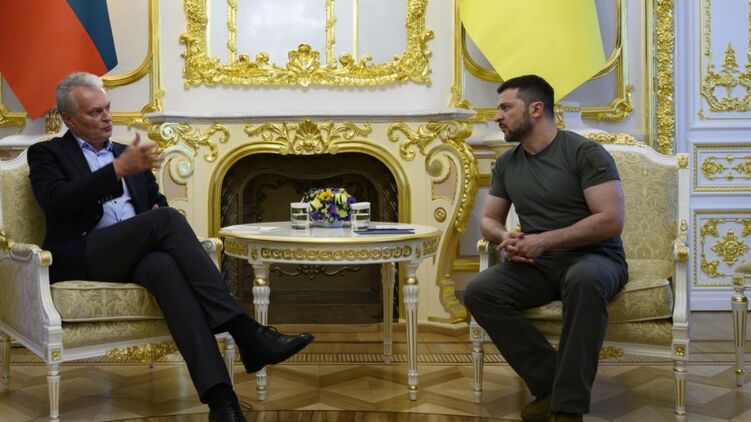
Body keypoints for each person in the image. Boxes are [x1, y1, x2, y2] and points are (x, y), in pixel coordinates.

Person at [27, 72, 314, 422]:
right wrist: (116, 172)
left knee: (165, 266)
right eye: (95, 112)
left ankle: (222, 402)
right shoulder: (47, 153)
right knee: (167, 220)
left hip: (135, 256)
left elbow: (154, 202)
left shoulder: (126, 154)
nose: (107, 118)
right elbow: (57, 200)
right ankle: (246, 332)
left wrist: (153, 206)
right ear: (69, 119)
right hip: (84, 255)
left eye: (108, 108)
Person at [463, 75, 628, 422]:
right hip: (537, 264)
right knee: (479, 291)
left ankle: (567, 409)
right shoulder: (507, 163)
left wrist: (543, 240)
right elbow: (489, 219)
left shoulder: (584, 153)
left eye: (505, 107)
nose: (497, 116)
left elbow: (611, 220)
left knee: (584, 280)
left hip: (595, 257)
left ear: (536, 109)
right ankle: (554, 385)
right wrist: (505, 238)